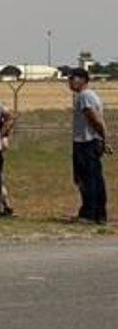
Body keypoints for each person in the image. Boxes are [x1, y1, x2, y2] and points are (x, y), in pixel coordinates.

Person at [68, 68, 107, 225]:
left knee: (86, 179)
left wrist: (102, 137)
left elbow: (94, 119)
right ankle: (98, 213)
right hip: (90, 142)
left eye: (72, 78)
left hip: (86, 143)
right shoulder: (89, 95)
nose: (69, 82)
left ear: (82, 80)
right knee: (95, 178)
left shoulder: (85, 96)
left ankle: (90, 214)